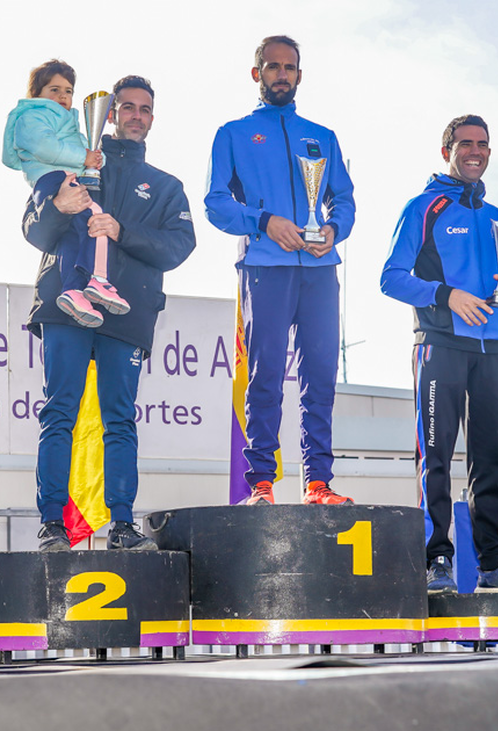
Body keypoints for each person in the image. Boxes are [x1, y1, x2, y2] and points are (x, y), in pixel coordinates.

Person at [25, 75, 195, 551]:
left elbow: (179, 246)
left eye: (144, 109)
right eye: (127, 107)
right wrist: (59, 206)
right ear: (111, 114)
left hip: (127, 313)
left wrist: (122, 232)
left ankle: (122, 525)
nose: (136, 115)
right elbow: (35, 231)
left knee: (120, 419)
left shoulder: (165, 186)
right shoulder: (68, 167)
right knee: (59, 412)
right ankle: (52, 525)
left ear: (152, 119)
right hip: (66, 305)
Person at [380, 114, 498, 594]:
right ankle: (437, 562)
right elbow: (391, 277)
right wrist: (445, 295)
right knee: (435, 456)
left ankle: (495, 565)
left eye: (483, 144)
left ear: (490, 152)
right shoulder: (424, 208)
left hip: (493, 349)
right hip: (439, 346)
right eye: (464, 143)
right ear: (447, 151)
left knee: (492, 459)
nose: (474, 151)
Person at [204, 34, 356, 506]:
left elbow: (344, 199)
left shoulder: (322, 136)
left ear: (299, 75)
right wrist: (265, 222)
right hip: (264, 268)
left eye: (289, 67)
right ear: (258, 74)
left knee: (321, 377)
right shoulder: (232, 133)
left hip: (319, 269)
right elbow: (215, 203)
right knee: (266, 373)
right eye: (272, 67)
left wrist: (334, 229)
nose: (281, 74)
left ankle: (318, 483)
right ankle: (262, 483)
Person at [3, 59, 128, 327]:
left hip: (67, 179)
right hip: (53, 181)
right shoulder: (33, 116)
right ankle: (89, 281)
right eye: (54, 89)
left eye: (68, 91)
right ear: (37, 93)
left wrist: (96, 159)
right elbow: (44, 146)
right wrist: (84, 157)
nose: (62, 96)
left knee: (79, 231)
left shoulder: (66, 121)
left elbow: (86, 150)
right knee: (88, 222)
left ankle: (79, 288)